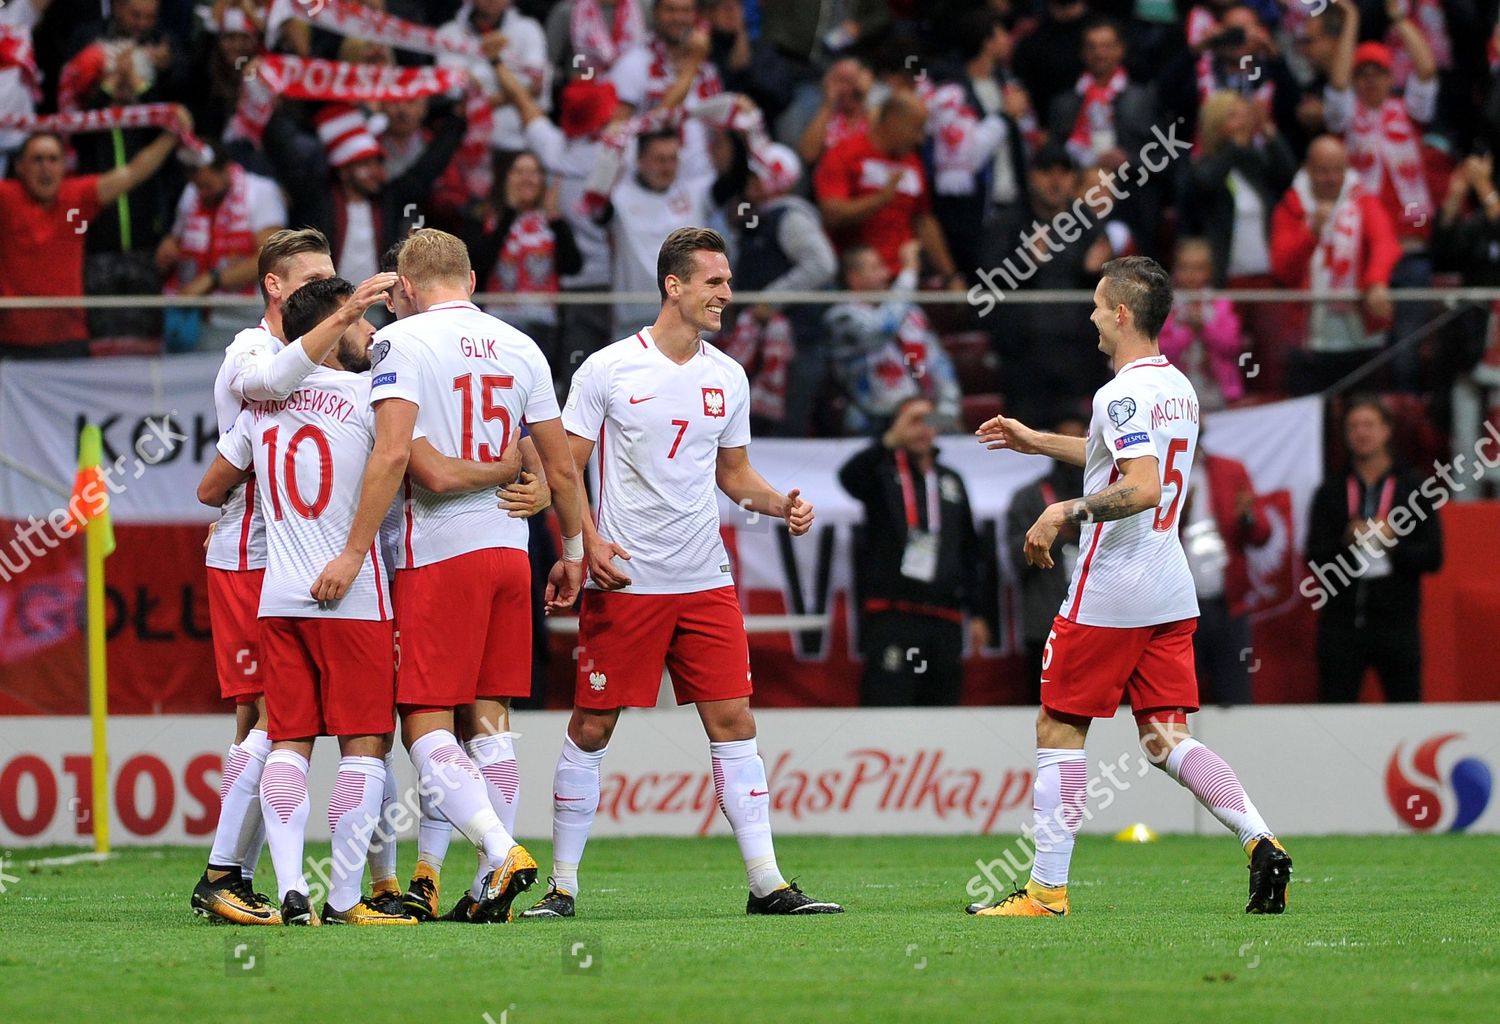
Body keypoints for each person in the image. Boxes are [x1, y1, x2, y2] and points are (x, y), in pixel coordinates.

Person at [522, 227, 842, 919]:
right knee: (593, 725)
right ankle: (563, 886)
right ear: (675, 285)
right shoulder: (608, 369)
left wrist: (775, 501)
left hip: (705, 580)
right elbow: (563, 468)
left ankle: (767, 883)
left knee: (733, 719)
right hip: (628, 581)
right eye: (715, 282)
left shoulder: (728, 376)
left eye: (727, 282)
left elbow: (735, 475)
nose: (727, 294)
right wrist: (588, 544)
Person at [969, 255, 1291, 918]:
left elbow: (1140, 486)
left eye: (1095, 306)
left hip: (1112, 583)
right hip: (1167, 584)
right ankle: (1260, 838)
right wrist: (1039, 443)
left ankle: (1046, 891)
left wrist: (1063, 510)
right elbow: (1123, 460)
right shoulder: (1178, 388)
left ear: (1120, 313)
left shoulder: (1118, 394)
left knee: (1058, 726)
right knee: (1165, 737)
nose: (1090, 317)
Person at [311, 228, 586, 924]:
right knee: (491, 723)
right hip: (510, 554)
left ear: (404, 288)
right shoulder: (521, 344)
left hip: (438, 555)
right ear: (470, 277)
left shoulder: (402, 343)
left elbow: (411, 465)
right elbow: (559, 466)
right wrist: (575, 550)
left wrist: (350, 550)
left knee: (424, 723)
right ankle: (482, 883)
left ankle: (499, 850)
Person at [190, 228, 397, 925]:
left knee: (275, 727)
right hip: (261, 560)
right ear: (277, 289)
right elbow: (271, 385)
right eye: (318, 283)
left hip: (274, 567)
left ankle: (262, 879)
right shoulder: (255, 351)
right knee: (296, 727)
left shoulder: (299, 387)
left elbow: (211, 483)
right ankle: (238, 875)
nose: (334, 295)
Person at [838, 396, 989, 707]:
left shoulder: (951, 480)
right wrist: (891, 441)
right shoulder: (881, 472)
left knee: (942, 708)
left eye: (929, 421)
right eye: (913, 421)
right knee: (888, 703)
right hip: (893, 614)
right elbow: (848, 478)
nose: (923, 430)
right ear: (897, 426)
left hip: (944, 617)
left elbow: (969, 551)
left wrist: (976, 613)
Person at [0, 117, 188, 357]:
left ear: (64, 165)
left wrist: (172, 133)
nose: (45, 168)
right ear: (20, 167)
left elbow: (133, 172)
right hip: (11, 342)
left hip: (68, 339)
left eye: (53, 159)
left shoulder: (77, 198)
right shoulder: (5, 198)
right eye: (37, 160)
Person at [1307, 397, 1443, 703]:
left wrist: (1394, 542)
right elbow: (1313, 557)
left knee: (1405, 712)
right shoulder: (1330, 490)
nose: (1361, 433)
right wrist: (1344, 540)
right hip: (1340, 625)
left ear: (1387, 430)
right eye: (1353, 426)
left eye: (1369, 425)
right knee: (1336, 712)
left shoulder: (1413, 488)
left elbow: (1433, 558)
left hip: (1397, 625)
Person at [1270, 135, 1400, 394]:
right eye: (1322, 171)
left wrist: (1376, 282)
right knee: (1311, 423)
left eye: (1337, 170)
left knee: (1362, 414)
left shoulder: (1364, 201)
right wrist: (1310, 234)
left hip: (1360, 336)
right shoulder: (1290, 207)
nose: (1331, 178)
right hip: (1308, 341)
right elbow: (1283, 269)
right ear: (1308, 170)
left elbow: (1386, 243)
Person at [813, 91, 965, 289]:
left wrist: (951, 276)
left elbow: (923, 220)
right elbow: (831, 214)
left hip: (903, 277)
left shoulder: (912, 162)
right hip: (856, 282)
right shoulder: (844, 154)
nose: (920, 139)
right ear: (893, 122)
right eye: (916, 129)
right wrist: (881, 199)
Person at [824, 241, 962, 436]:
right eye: (875, 268)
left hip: (925, 417)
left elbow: (938, 362)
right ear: (854, 278)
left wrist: (946, 413)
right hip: (873, 424)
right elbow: (880, 330)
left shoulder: (910, 312)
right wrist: (909, 273)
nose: (886, 275)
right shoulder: (840, 318)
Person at [155, 149, 287, 352]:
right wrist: (170, 246)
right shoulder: (193, 192)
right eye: (198, 186)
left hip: (247, 320)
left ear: (225, 169)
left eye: (207, 185)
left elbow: (271, 258)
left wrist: (212, 279)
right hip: (197, 322)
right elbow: (178, 238)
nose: (203, 193)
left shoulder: (260, 191)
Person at [1004, 415, 1088, 706]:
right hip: (1045, 623)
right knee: (1045, 707)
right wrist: (1046, 539)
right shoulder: (1029, 498)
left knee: (1099, 706)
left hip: (1098, 622)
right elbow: (1015, 558)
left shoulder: (1105, 496)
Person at [1182, 437, 1272, 705]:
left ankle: (1236, 747)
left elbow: (1261, 535)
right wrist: (1178, 517)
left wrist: (1247, 516)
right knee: (1179, 696)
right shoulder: (1157, 472)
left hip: (1228, 605)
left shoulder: (1229, 470)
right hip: (1178, 609)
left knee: (1235, 696)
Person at [1156, 237, 1247, 411]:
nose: (1191, 275)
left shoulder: (1221, 303)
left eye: (1198, 268)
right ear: (1175, 270)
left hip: (1217, 391)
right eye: (1184, 267)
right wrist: (1188, 331)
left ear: (1209, 271)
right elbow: (1160, 350)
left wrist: (1204, 328)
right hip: (1175, 394)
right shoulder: (1165, 306)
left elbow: (1232, 345)